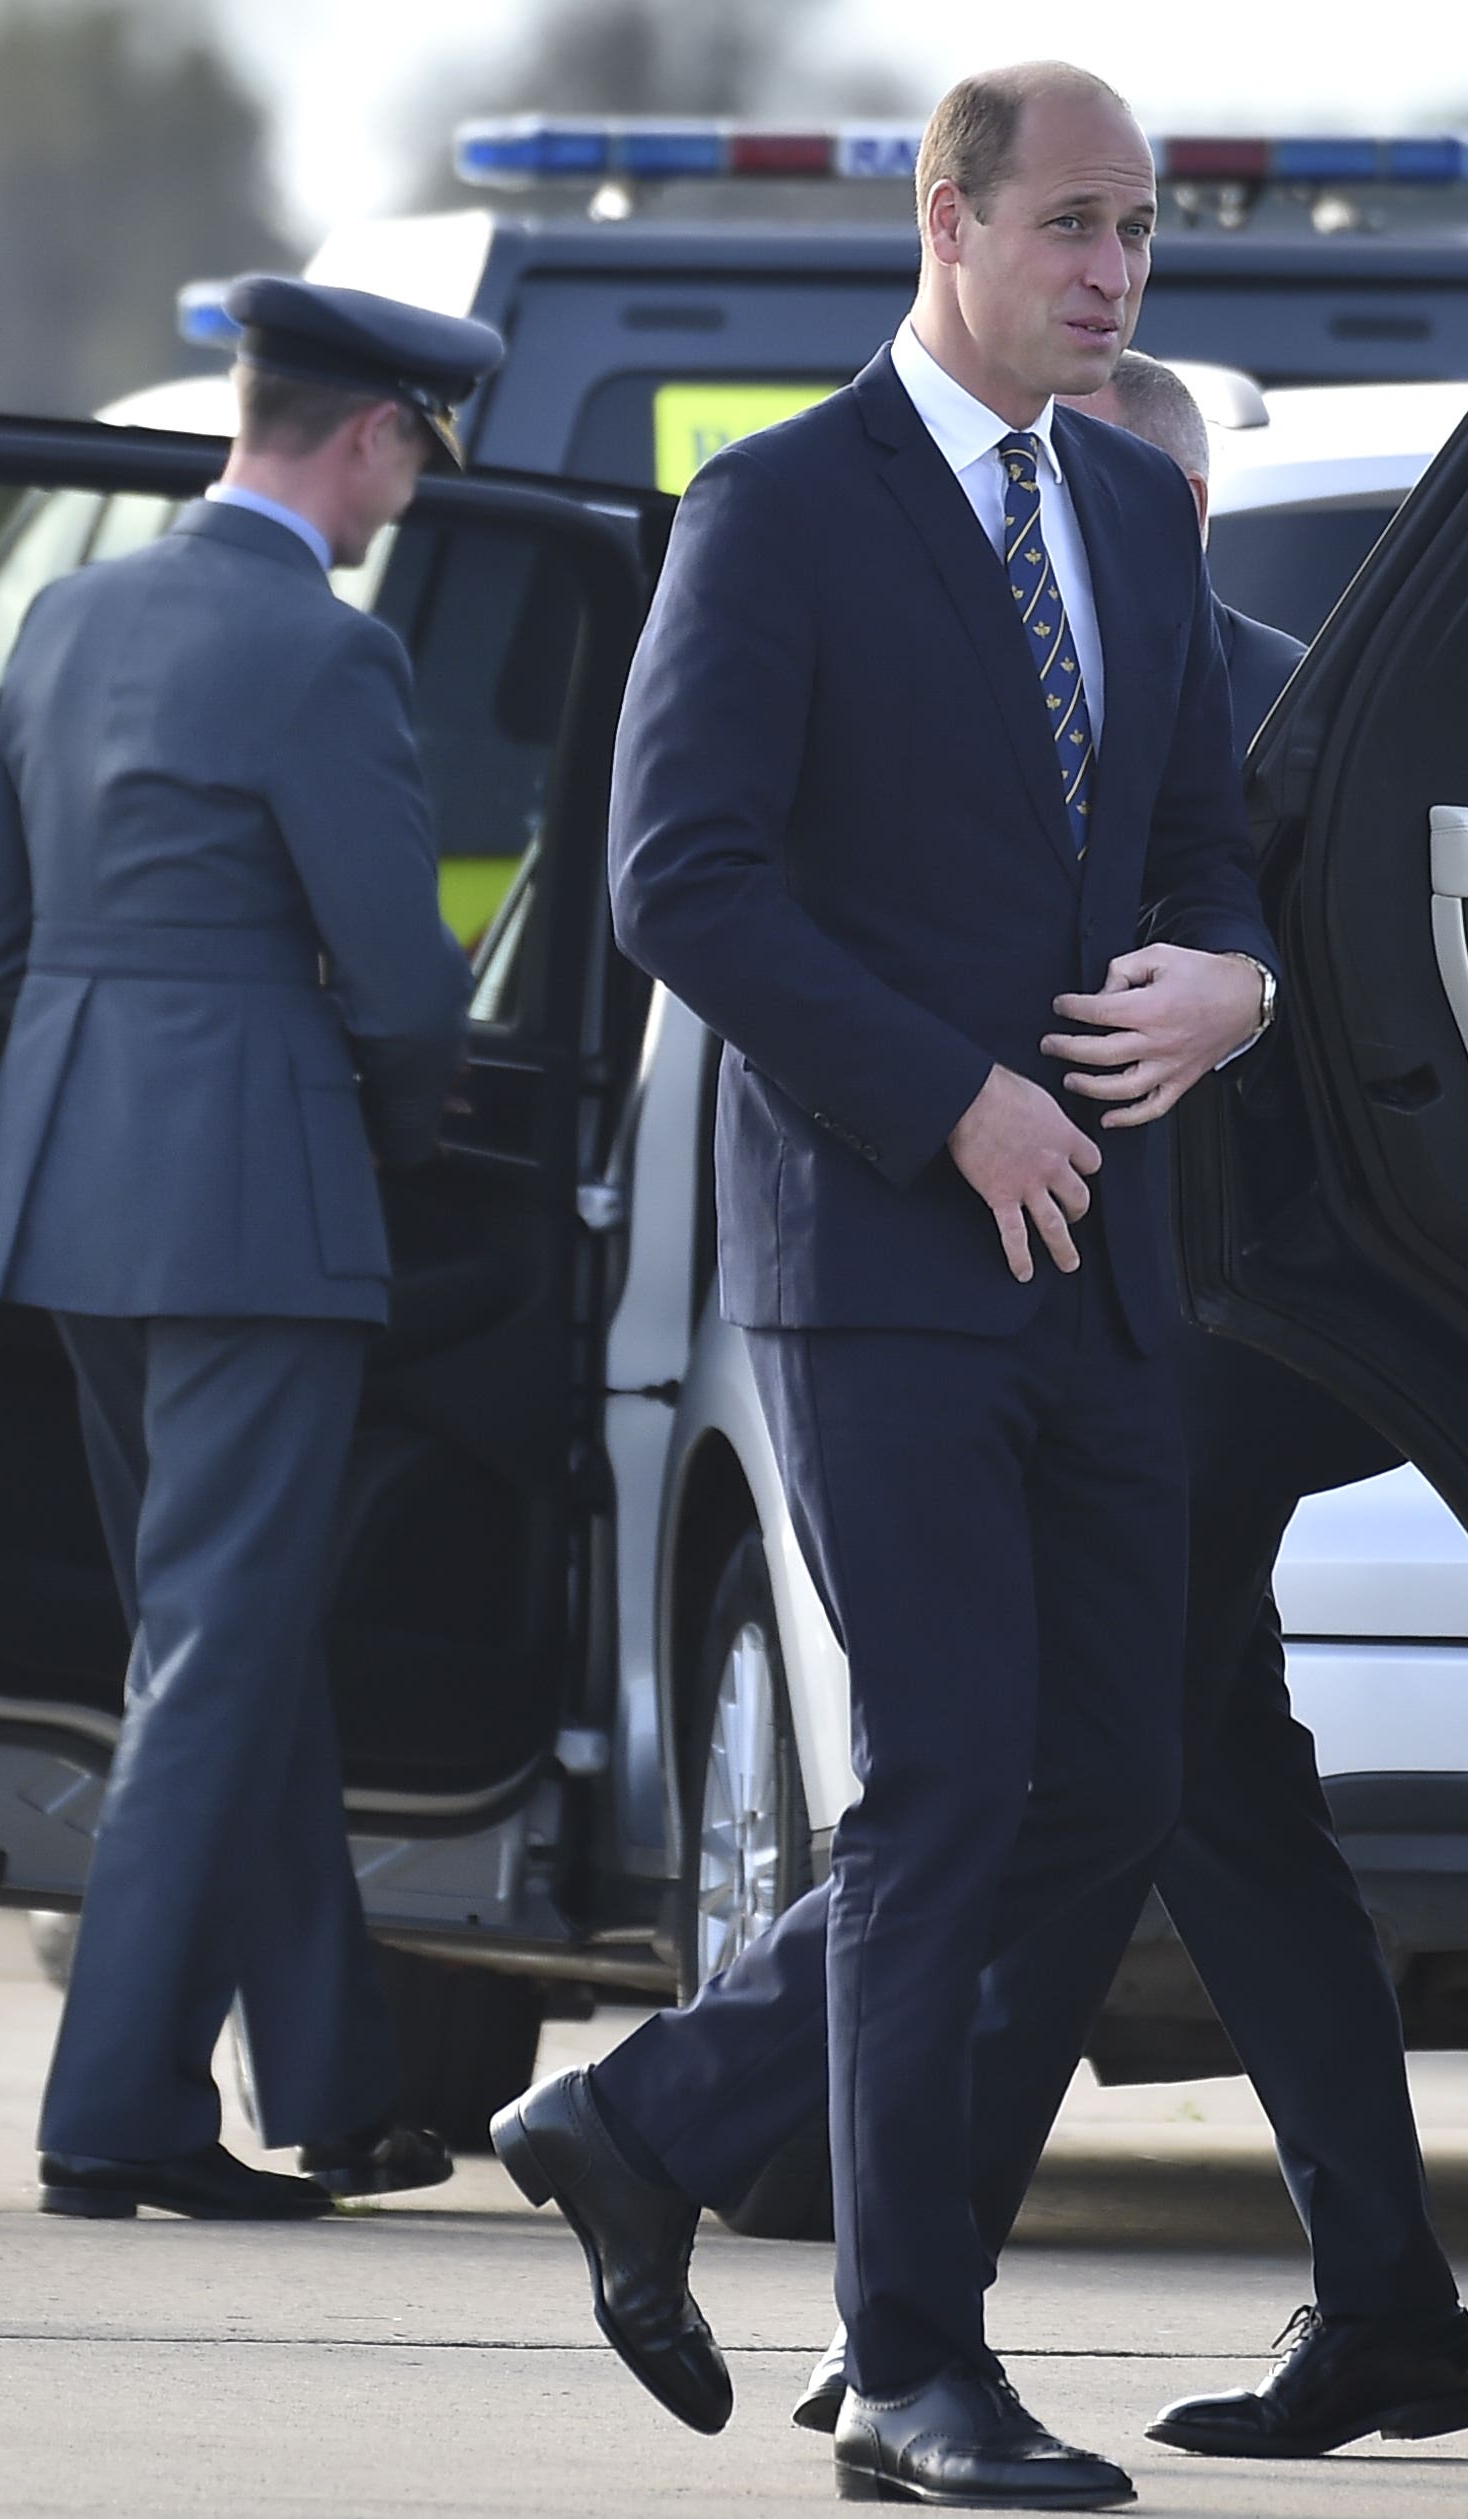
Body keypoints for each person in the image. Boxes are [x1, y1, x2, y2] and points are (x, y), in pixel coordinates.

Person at [486, 64, 1280, 2505]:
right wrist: (951, 1095)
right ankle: (916, 2367)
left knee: (1111, 1784)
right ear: (946, 224)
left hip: (1107, 1266)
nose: (1115, 275)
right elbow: (680, 883)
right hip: (885, 1262)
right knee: (941, 1784)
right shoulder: (781, 510)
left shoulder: (1138, 513)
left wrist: (1230, 982)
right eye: (1071, 227)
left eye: (1139, 233)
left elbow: (1197, 841)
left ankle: (646, 2115)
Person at [774, 349, 1468, 2459]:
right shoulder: (1174, 684)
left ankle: (897, 2299)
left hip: (1198, 1355)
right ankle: (1384, 2310)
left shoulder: (1257, 703)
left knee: (1044, 1807)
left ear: (1148, 520)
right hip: (1143, 1336)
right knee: (1201, 1805)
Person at [0, 275, 491, 2222]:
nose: (407, 504)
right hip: (257, 1205)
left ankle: (338, 2084)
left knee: (219, 1639)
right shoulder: (323, 654)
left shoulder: (70, 611)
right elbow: (414, 991)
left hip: (73, 1186)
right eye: (414, 462)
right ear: (368, 436)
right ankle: (115, 2115)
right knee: (212, 1651)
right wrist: (384, 1139)